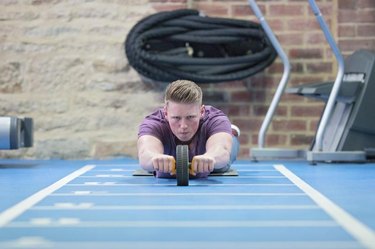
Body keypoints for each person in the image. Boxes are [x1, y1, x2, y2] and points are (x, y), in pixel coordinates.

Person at [137, 80, 240, 178]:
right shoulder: (153, 123)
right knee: (151, 167)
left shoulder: (216, 119)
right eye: (176, 118)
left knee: (221, 166)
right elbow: (145, 153)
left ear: (202, 111)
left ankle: (230, 133)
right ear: (166, 113)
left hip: (209, 154)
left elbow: (222, 151)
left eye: (190, 117)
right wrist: (155, 158)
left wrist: (211, 157)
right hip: (167, 156)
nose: (183, 126)